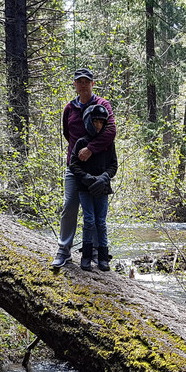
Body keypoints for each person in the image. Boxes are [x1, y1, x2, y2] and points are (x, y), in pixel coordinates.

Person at [50, 68, 116, 268]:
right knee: (69, 206)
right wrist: (79, 152)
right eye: (80, 81)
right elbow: (67, 134)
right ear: (75, 85)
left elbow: (111, 131)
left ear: (92, 84)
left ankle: (96, 252)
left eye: (87, 81)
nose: (83, 85)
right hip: (75, 167)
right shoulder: (69, 108)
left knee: (96, 214)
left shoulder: (102, 105)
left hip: (97, 169)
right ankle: (64, 251)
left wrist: (90, 149)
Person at [69, 103, 117, 271]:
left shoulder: (108, 144)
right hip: (85, 189)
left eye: (101, 122)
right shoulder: (81, 142)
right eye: (95, 121)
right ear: (88, 121)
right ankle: (86, 256)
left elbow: (113, 166)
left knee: (101, 223)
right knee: (88, 221)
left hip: (102, 189)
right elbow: (73, 165)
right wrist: (88, 179)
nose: (98, 125)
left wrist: (103, 178)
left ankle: (103, 258)